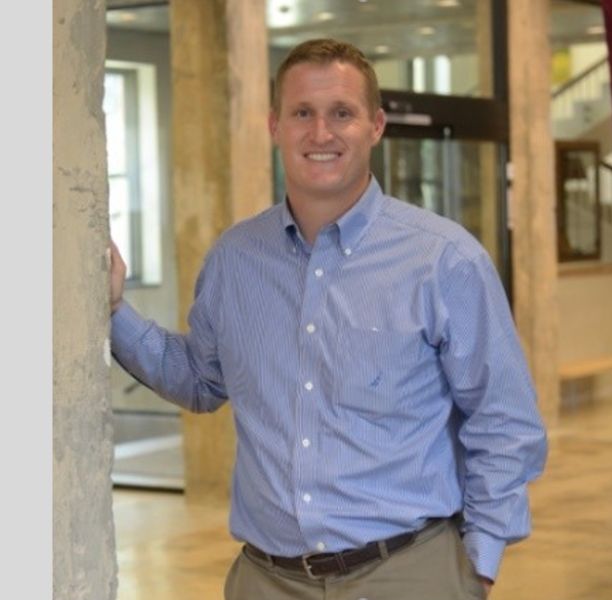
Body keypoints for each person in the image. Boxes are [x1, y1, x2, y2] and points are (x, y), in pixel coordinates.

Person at [109, 38, 547, 600]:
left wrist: (476, 568)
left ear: (376, 126)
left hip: (408, 575)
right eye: (302, 114)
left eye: (342, 113)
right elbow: (200, 379)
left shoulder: (444, 260)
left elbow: (504, 421)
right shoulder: (235, 259)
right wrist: (113, 309)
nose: (321, 133)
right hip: (265, 580)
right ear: (275, 126)